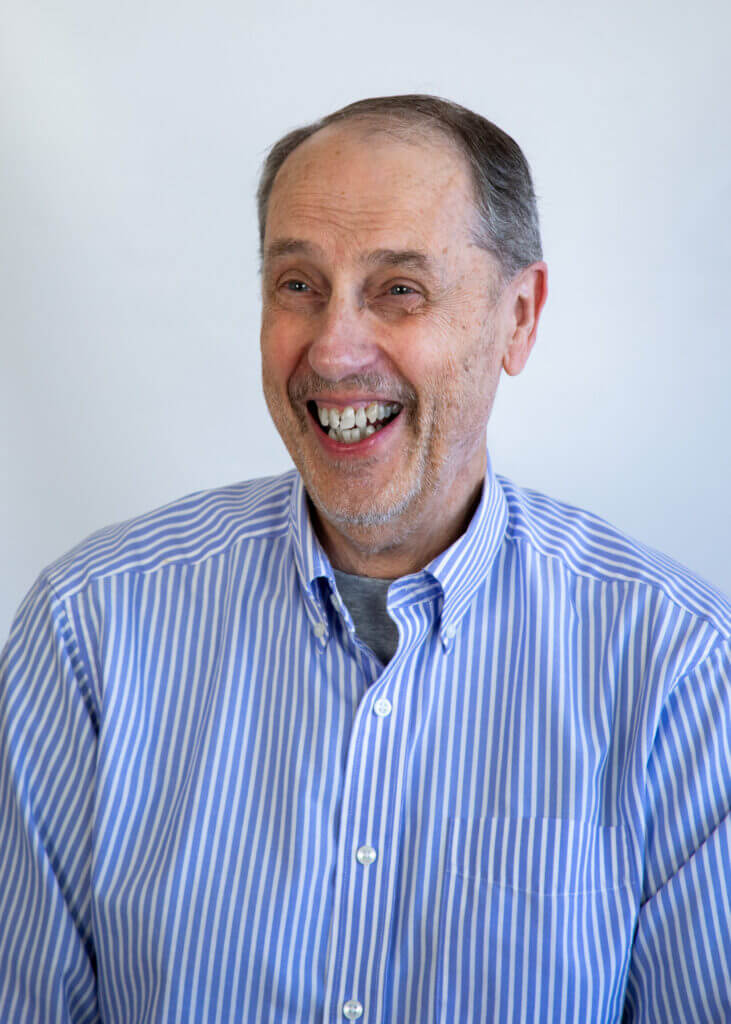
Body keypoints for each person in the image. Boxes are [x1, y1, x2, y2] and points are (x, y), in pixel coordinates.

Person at [0, 95, 728, 1024]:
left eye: (399, 290)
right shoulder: (88, 630)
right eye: (298, 284)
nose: (334, 349)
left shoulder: (682, 669)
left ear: (519, 317)